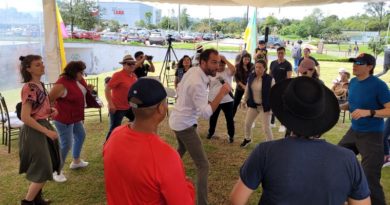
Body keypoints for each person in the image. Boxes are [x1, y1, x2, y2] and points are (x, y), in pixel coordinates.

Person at [230, 77, 371, 205]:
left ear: (285, 115)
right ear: (323, 116)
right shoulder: (348, 159)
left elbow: (237, 200)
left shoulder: (265, 152)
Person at [104, 78, 195, 205]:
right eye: (166, 102)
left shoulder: (115, 135)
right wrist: (188, 186)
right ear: (161, 108)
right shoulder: (166, 156)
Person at [169, 48, 231, 205]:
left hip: (177, 119)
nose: (217, 67)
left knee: (181, 149)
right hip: (185, 125)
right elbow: (205, 113)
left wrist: (214, 81)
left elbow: (182, 87)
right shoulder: (198, 84)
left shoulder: (195, 70)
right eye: (213, 62)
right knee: (203, 165)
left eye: (218, 62)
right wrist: (221, 93)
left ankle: (166, 173)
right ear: (203, 62)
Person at [339, 53, 390, 205]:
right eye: (354, 62)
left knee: (370, 177)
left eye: (359, 63)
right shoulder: (353, 82)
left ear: (370, 67)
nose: (354, 65)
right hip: (354, 132)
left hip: (372, 136)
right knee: (338, 160)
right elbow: (353, 104)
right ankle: (346, 195)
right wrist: (341, 107)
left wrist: (370, 112)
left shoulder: (379, 85)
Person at [49, 61, 101, 182]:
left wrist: (87, 89)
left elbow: (79, 92)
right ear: (73, 71)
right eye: (81, 72)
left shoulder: (78, 80)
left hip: (76, 116)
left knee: (81, 135)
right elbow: (49, 99)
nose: (83, 74)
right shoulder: (61, 84)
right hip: (64, 118)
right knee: (66, 144)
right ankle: (56, 171)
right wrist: (51, 110)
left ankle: (76, 161)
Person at [18, 55, 60, 205]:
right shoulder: (29, 87)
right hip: (35, 130)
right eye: (37, 65)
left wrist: (51, 110)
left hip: (41, 126)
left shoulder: (40, 85)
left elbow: (39, 109)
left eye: (42, 63)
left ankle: (37, 198)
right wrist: (47, 131)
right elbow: (25, 117)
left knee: (49, 163)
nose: (42, 66)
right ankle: (28, 202)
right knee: (43, 167)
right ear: (28, 69)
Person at [240, 60, 274, 147]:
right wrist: (243, 101)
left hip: (265, 107)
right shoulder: (251, 77)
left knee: (266, 128)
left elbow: (275, 93)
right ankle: (247, 139)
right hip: (253, 105)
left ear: (264, 68)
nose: (258, 69)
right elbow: (247, 90)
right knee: (247, 123)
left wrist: (273, 107)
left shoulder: (270, 79)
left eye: (260, 67)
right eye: (256, 67)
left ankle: (270, 144)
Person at [104, 55, 137, 140]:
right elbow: (107, 89)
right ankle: (107, 146)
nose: (132, 65)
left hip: (129, 106)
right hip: (117, 107)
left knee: (138, 122)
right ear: (124, 65)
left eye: (133, 63)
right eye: (129, 64)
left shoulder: (133, 76)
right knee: (114, 128)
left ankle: (130, 138)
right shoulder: (118, 75)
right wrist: (111, 104)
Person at [207, 55, 236, 143]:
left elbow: (234, 69)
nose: (220, 67)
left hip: (227, 100)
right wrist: (208, 100)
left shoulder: (228, 71)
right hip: (214, 100)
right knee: (213, 118)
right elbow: (207, 86)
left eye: (223, 65)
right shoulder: (211, 73)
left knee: (229, 119)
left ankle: (231, 136)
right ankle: (211, 133)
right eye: (219, 64)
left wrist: (225, 59)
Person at [269, 47, 292, 131]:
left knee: (283, 106)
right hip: (273, 87)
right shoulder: (272, 63)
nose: (280, 54)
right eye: (279, 53)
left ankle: (283, 124)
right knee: (273, 104)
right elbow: (270, 75)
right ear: (277, 53)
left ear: (284, 53)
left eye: (282, 53)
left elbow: (289, 78)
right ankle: (272, 122)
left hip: (282, 88)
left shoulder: (288, 64)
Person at [233, 52, 253, 118]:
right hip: (239, 88)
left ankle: (250, 120)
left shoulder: (252, 66)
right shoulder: (237, 66)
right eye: (245, 59)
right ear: (242, 59)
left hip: (249, 88)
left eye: (248, 59)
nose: (246, 61)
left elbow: (253, 77)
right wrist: (242, 86)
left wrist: (247, 86)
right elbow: (236, 78)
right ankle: (231, 118)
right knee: (235, 104)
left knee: (250, 105)